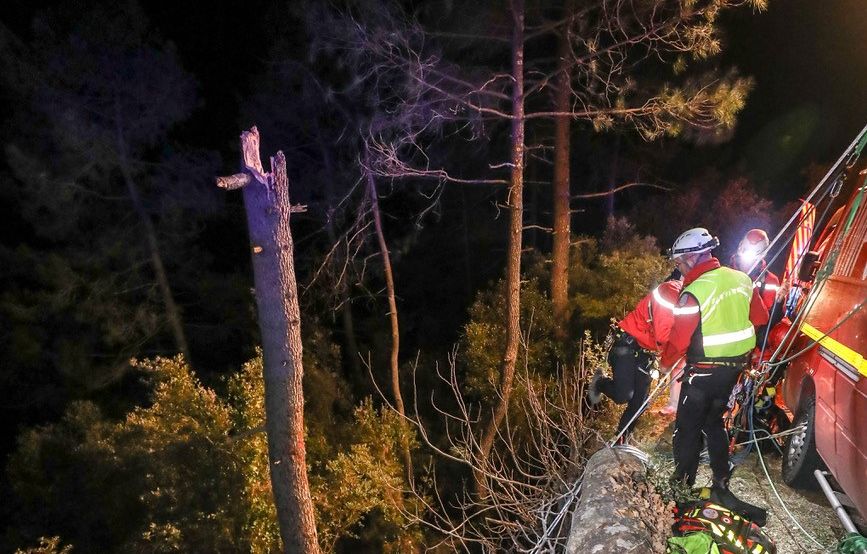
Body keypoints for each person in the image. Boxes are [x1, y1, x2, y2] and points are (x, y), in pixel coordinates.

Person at [661, 227, 770, 525]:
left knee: (687, 430)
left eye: (680, 263)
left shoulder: (695, 291)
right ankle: (721, 483)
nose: (679, 269)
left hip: (702, 373)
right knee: (714, 422)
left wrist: (664, 364)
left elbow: (678, 339)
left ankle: (681, 489)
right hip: (731, 371)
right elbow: (759, 318)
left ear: (693, 258)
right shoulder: (741, 279)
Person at [588, 270, 683, 440]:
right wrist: (673, 354)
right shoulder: (670, 291)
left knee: (640, 401)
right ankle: (600, 382)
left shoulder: (686, 299)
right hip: (627, 343)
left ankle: (622, 438)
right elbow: (663, 335)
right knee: (623, 395)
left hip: (645, 351)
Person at [730, 228, 787, 344]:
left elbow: (769, 319)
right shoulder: (725, 272)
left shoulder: (771, 281)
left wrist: (779, 303)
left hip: (751, 339)